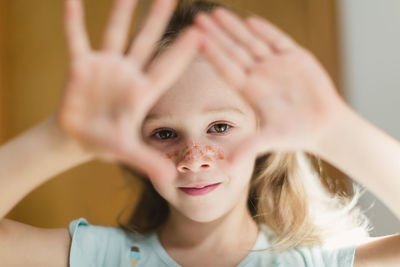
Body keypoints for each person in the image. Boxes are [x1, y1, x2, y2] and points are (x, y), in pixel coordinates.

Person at [0, 0, 399, 266]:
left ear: (265, 130)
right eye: (163, 134)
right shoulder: (104, 257)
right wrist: (58, 143)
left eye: (220, 127)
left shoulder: (316, 262)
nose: (194, 158)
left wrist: (335, 131)